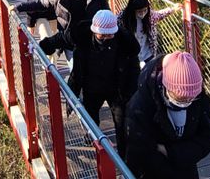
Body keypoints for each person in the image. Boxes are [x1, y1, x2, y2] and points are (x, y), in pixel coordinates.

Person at [39, 10, 139, 156]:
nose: (106, 38)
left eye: (110, 35)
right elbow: (61, 39)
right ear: (94, 31)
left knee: (122, 123)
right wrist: (42, 46)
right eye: (102, 35)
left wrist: (131, 92)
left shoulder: (124, 41)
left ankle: (124, 158)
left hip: (117, 89)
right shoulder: (82, 34)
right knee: (91, 117)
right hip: (91, 87)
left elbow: (134, 69)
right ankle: (93, 140)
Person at [125, 51, 210, 179]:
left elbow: (209, 135)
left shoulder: (197, 96)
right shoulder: (141, 105)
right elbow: (137, 150)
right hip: (154, 172)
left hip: (185, 167)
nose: (187, 103)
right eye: (181, 99)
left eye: (191, 99)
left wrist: (171, 152)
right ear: (166, 87)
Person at [15, 0, 109, 68]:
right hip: (70, 42)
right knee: (77, 70)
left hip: (92, 40)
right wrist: (19, 7)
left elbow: (107, 16)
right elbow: (41, 3)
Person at [118, 0, 184, 67]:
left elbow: (159, 15)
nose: (143, 13)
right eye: (139, 11)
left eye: (145, 10)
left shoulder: (149, 16)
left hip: (148, 54)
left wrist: (173, 9)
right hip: (131, 56)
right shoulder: (123, 18)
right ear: (133, 10)